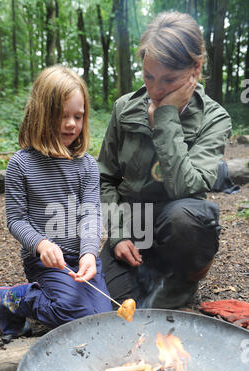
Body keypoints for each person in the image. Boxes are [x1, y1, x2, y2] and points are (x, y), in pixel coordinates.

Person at [98, 11, 232, 310]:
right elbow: (104, 178)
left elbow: (186, 187)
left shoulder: (214, 118)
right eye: (149, 76)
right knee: (120, 307)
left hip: (179, 225)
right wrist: (118, 235)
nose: (156, 90)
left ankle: (185, 277)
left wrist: (165, 119)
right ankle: (147, 277)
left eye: (169, 79)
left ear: (195, 68)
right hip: (133, 225)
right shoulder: (124, 108)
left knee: (187, 217)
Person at [0, 65, 112, 338]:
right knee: (73, 313)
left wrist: (89, 253)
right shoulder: (21, 165)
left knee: (102, 320)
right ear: (42, 115)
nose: (71, 124)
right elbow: (16, 220)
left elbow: (91, 216)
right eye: (62, 115)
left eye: (78, 117)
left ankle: (60, 297)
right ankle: (9, 299)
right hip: (46, 261)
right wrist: (42, 244)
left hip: (80, 257)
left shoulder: (87, 165)